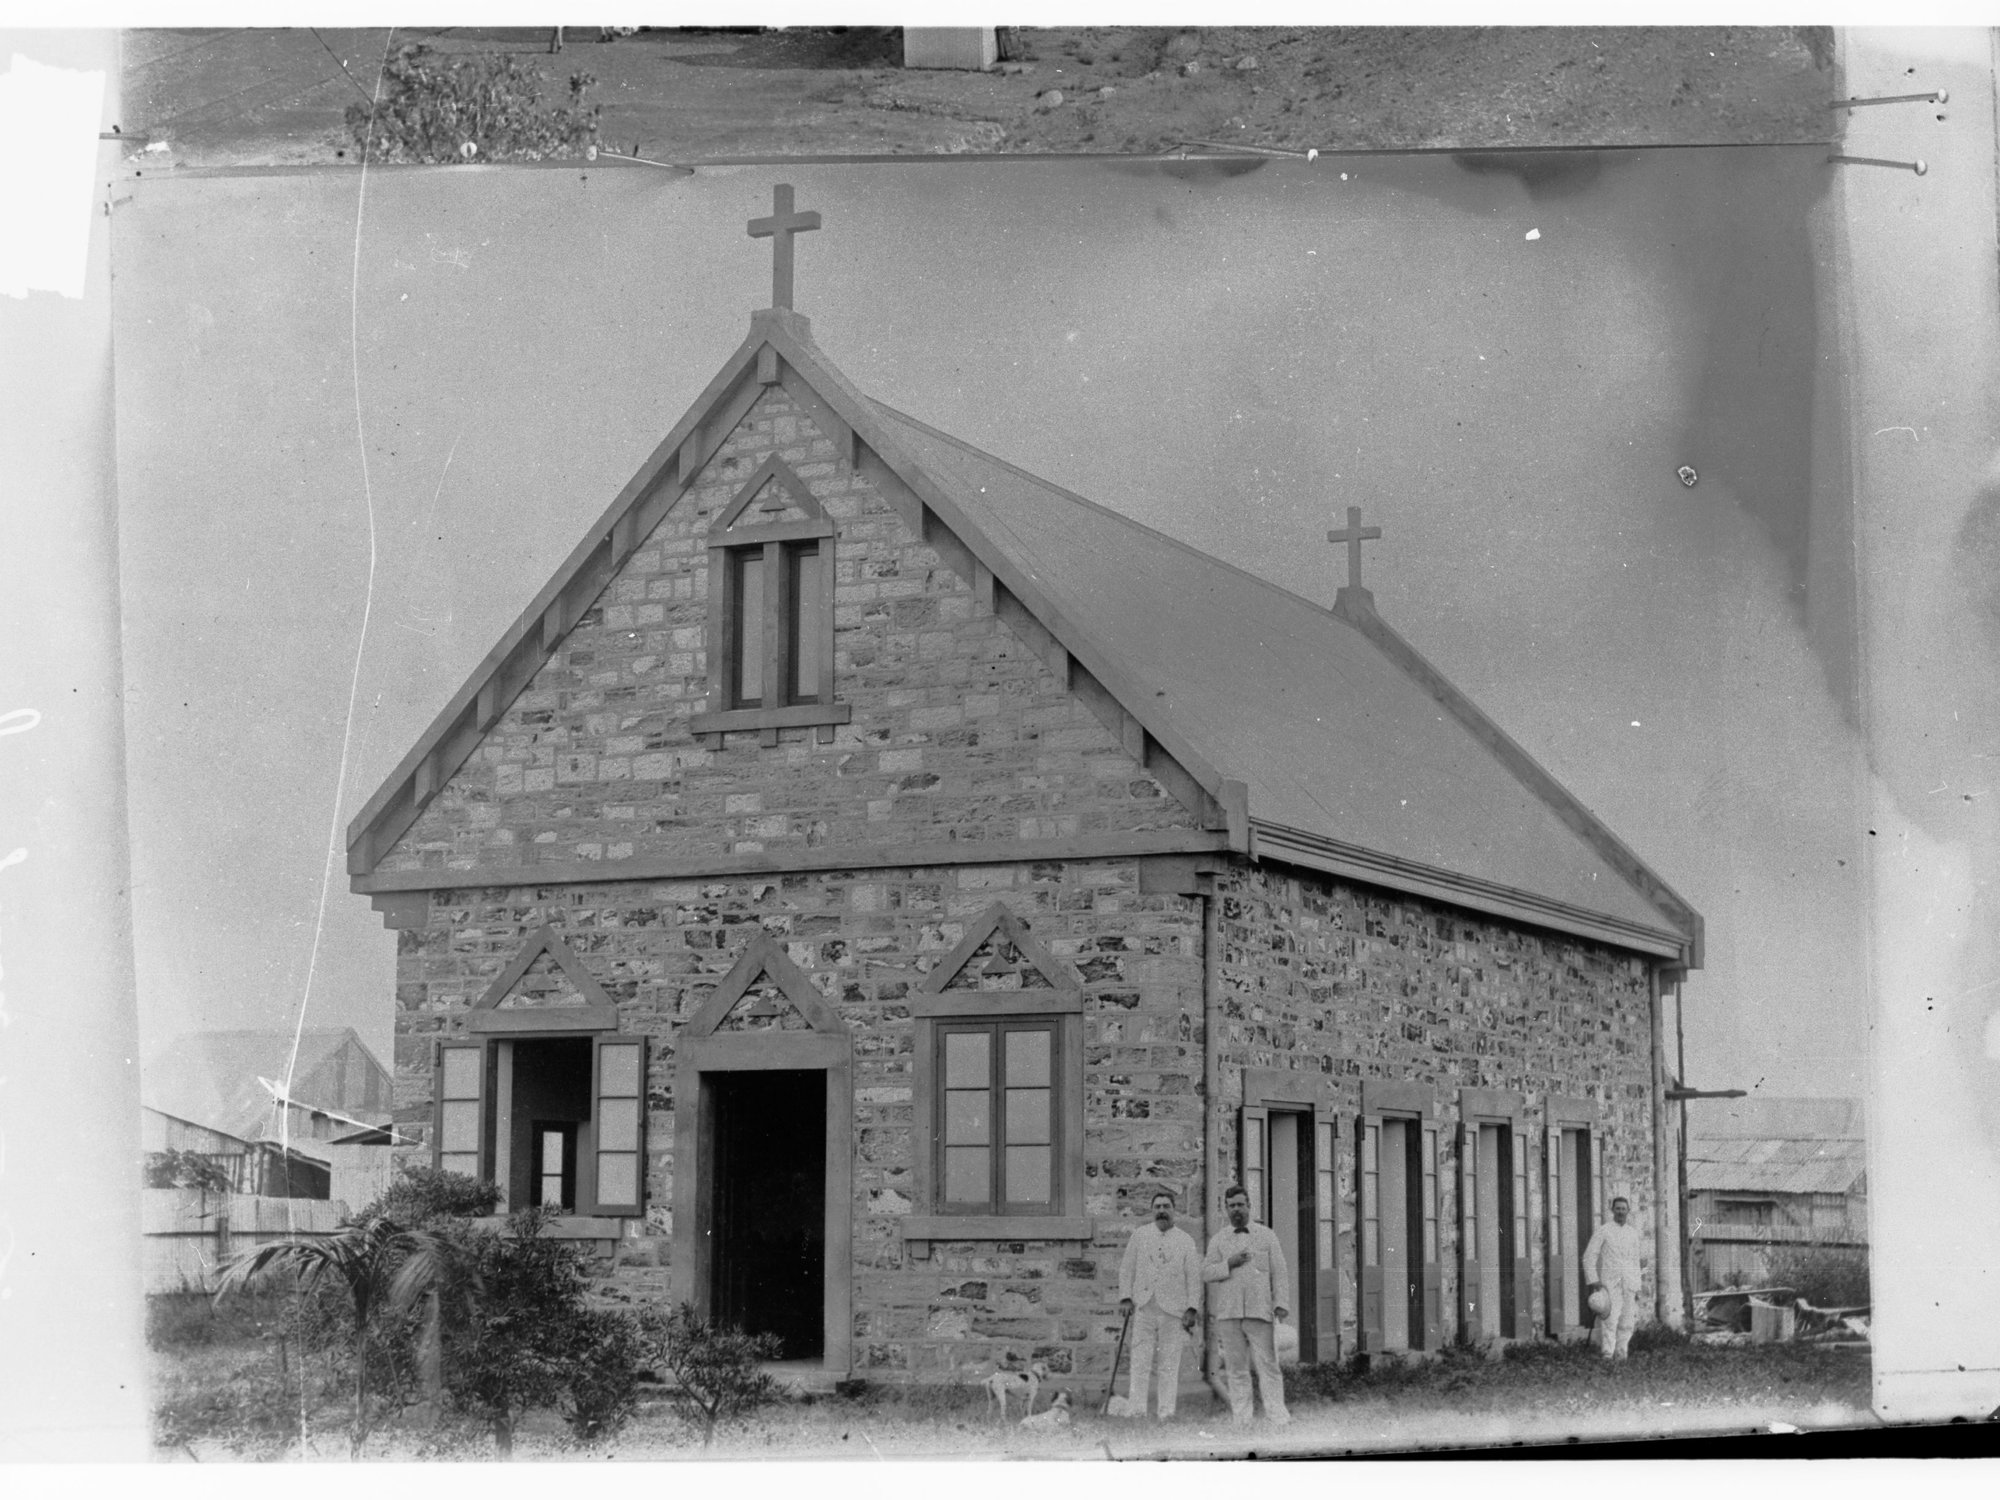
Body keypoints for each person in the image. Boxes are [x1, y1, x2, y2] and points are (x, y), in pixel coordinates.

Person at [1202, 1184, 1291, 1425]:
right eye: (1232, 1206)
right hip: (1229, 1313)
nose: (1237, 1210)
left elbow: (1280, 1272)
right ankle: (1242, 1419)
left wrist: (1280, 1303)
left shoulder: (1266, 1236)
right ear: (1225, 1209)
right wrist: (1227, 1264)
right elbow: (1207, 1272)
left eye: (1241, 1204)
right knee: (1236, 1368)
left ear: (1249, 1206)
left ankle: (1278, 1417)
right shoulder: (1219, 1240)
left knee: (1268, 1366)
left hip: (1259, 1311)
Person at [1117, 1187, 1204, 1420]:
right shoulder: (1140, 1235)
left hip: (1173, 1311)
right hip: (1144, 1307)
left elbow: (1193, 1277)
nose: (1162, 1211)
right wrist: (1126, 1297)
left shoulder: (1185, 1241)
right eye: (1158, 1207)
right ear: (1151, 1210)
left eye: (1166, 1207)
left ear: (1174, 1211)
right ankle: (1136, 1411)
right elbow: (1127, 1268)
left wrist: (1191, 1308)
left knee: (1168, 1363)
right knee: (1140, 1361)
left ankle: (1166, 1413)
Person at [1582, 1195, 1647, 1360]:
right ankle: (1607, 1354)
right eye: (1617, 1208)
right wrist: (1594, 1279)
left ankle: (1621, 1353)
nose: (1620, 1212)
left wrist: (1637, 1284)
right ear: (1612, 1210)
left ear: (1628, 1211)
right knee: (1610, 1319)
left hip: (1629, 1282)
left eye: (1623, 1209)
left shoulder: (1632, 1233)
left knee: (1627, 1321)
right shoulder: (1604, 1230)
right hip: (1610, 1283)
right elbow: (1589, 1256)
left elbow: (1636, 1260)